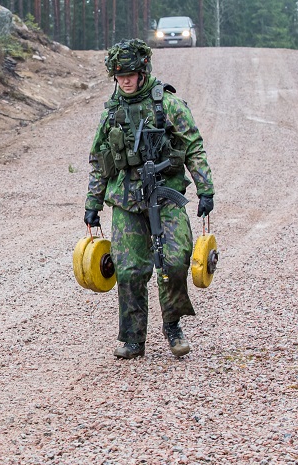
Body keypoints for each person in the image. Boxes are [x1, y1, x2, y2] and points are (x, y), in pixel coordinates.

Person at [84, 39, 215, 359]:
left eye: (130, 74)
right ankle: (132, 338)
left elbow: (193, 145)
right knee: (128, 269)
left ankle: (172, 325)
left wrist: (205, 188)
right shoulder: (112, 112)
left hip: (165, 195)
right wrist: (93, 203)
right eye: (119, 76)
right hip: (126, 199)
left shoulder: (168, 104)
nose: (125, 81)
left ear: (143, 72)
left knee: (174, 258)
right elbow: (99, 159)